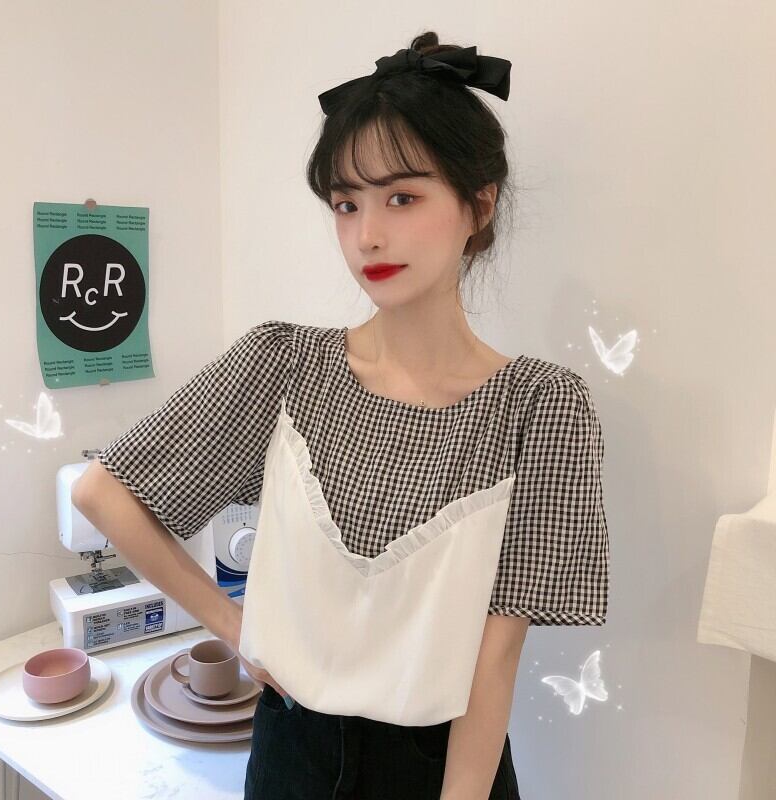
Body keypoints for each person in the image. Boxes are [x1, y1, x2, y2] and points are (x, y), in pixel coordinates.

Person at [79, 30, 609, 800]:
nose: (368, 235)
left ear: (479, 203)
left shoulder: (541, 406)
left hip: (440, 764)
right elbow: (103, 493)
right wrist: (232, 625)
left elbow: (494, 662)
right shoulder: (283, 364)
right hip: (289, 750)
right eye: (345, 203)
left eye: (402, 197)